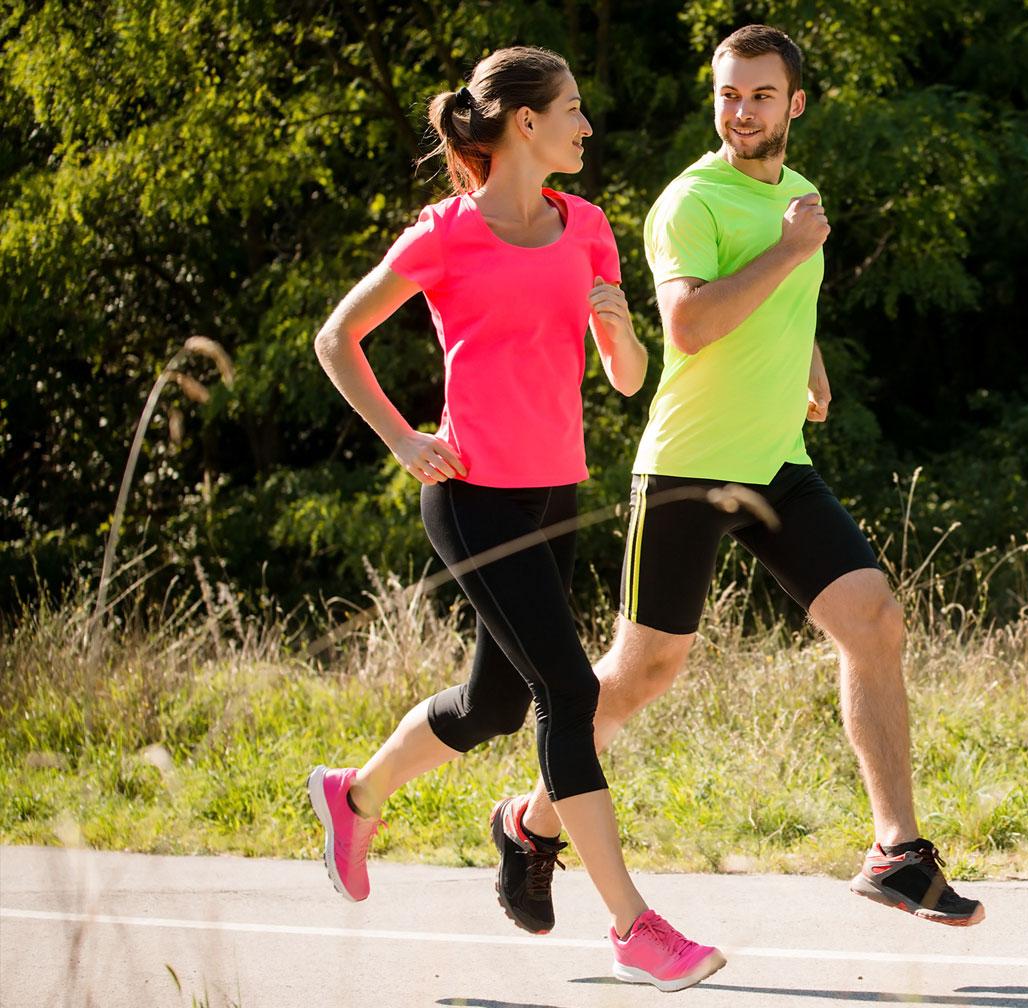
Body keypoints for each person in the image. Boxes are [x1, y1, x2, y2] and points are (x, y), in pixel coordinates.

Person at [485, 24, 985, 933]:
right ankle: (529, 823)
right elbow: (688, 325)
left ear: (795, 103)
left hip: (775, 463)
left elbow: (780, 301)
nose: (741, 111)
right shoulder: (691, 201)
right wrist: (793, 253)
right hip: (687, 467)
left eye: (759, 95)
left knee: (873, 616)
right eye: (726, 95)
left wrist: (810, 359)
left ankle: (897, 851)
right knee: (642, 676)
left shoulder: (798, 196)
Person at [306, 45, 727, 991]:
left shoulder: (587, 227)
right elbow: (337, 337)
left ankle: (354, 793)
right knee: (570, 693)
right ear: (524, 122)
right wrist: (405, 439)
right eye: (572, 108)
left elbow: (624, 380)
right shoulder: (444, 235)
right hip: (470, 495)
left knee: (495, 704)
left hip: (554, 491)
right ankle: (632, 925)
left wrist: (618, 328)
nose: (586, 125)